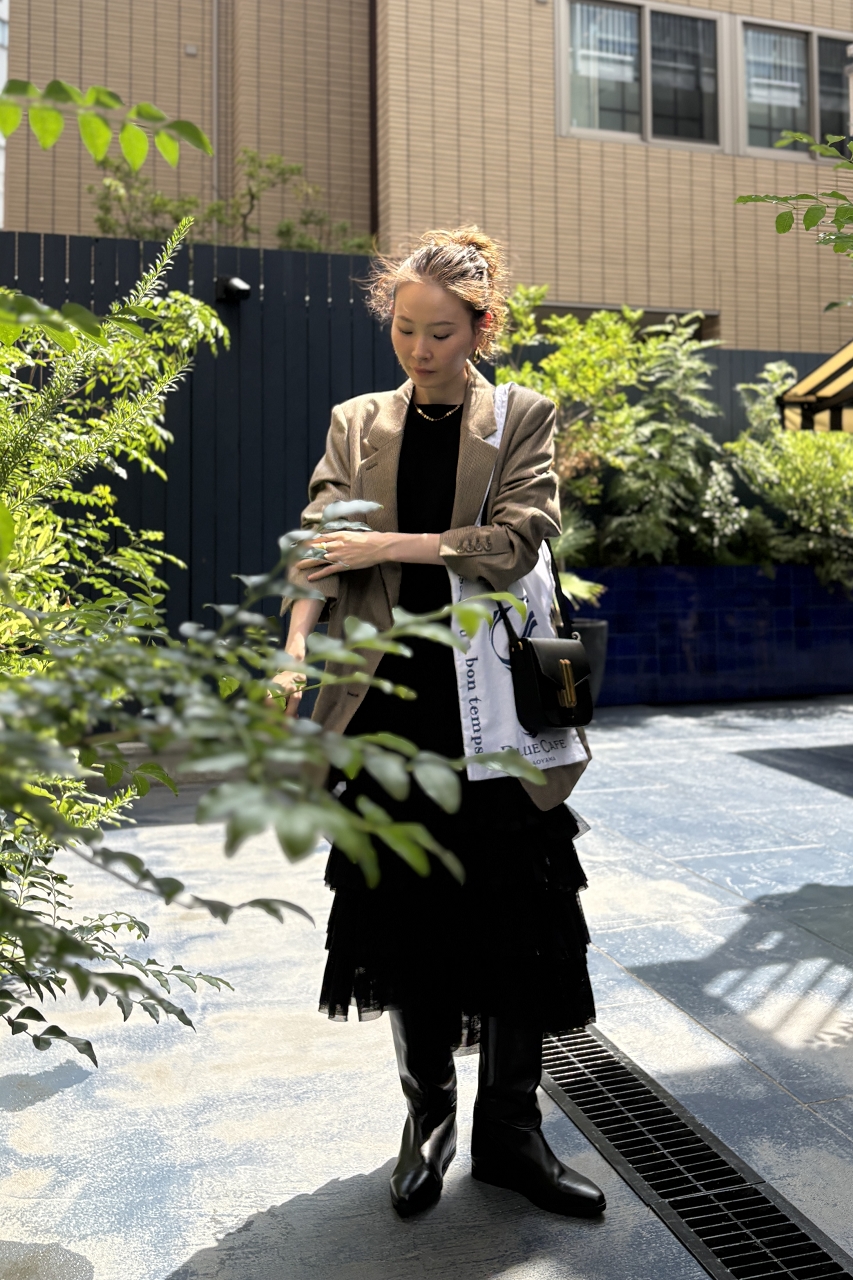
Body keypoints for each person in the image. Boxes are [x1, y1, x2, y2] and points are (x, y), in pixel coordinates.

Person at [272, 227, 604, 1221]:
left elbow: (513, 542)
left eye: (441, 333)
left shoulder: (521, 417)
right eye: (404, 329)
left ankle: (511, 1135)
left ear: (482, 327)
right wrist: (295, 646)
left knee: (517, 922)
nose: (419, 350)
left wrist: (389, 545)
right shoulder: (356, 423)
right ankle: (428, 1121)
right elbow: (318, 548)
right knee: (403, 918)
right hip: (387, 706)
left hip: (493, 705)